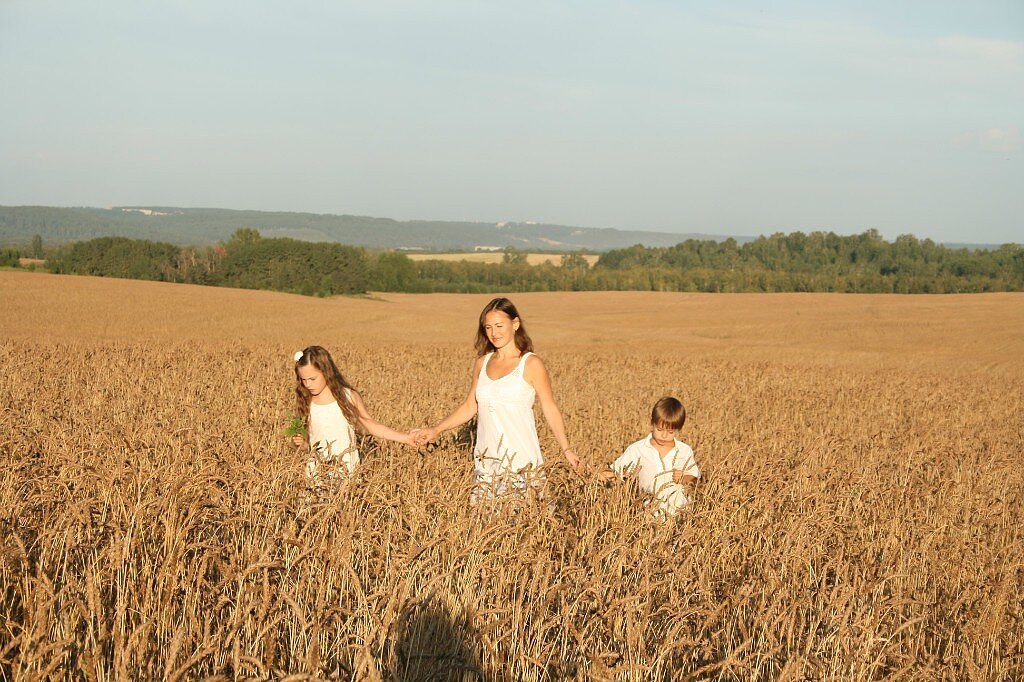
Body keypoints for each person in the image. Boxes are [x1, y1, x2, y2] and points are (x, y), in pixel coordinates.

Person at [412, 297, 581, 506]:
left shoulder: (531, 363)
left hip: (521, 462)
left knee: (525, 527)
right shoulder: (482, 363)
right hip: (486, 463)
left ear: (515, 324)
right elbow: (470, 406)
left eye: (500, 326)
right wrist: (436, 430)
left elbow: (549, 406)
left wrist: (566, 449)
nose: (494, 332)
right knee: (485, 528)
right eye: (488, 327)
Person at [291, 346, 413, 494]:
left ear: (326, 372)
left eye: (312, 379)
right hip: (316, 474)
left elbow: (370, 424)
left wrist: (406, 438)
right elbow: (310, 442)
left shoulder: (347, 397)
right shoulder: (306, 401)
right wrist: (301, 444)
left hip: (346, 471)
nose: (308, 384)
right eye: (303, 380)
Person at [599, 396, 700, 520]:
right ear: (652, 423)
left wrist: (684, 477)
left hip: (680, 515)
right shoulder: (638, 449)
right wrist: (594, 474)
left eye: (670, 432)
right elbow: (616, 472)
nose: (664, 435)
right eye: (660, 429)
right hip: (648, 515)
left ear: (678, 429)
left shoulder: (684, 451)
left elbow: (695, 478)